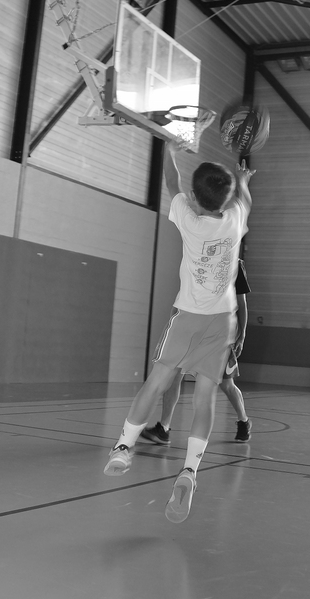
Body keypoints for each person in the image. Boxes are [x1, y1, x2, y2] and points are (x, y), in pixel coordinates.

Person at [104, 140, 254, 524]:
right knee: (204, 400)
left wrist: (169, 150)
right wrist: (242, 179)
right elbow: (244, 198)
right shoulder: (236, 218)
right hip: (222, 320)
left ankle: (123, 447)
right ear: (227, 197)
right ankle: (189, 471)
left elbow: (171, 182)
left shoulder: (189, 220)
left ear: (194, 197)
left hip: (188, 315)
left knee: (156, 382)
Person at [141, 258, 252, 446]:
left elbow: (242, 303)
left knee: (226, 384)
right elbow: (183, 297)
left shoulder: (234, 264)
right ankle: (163, 429)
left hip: (218, 334)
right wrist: (173, 325)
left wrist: (241, 336)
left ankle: (243, 420)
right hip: (191, 331)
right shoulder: (196, 259)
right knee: (174, 375)